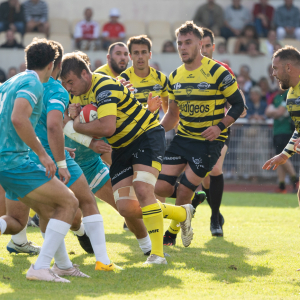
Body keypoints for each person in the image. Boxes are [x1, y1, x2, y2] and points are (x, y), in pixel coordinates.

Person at [61, 52, 195, 265]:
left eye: (70, 81)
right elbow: (64, 121)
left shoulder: (105, 86)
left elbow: (106, 126)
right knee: (126, 208)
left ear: (85, 74)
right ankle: (181, 213)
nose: (68, 87)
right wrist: (72, 114)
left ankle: (157, 255)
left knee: (143, 190)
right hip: (121, 147)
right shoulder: (74, 95)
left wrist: (77, 124)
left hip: (146, 136)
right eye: (64, 83)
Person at [155, 22, 244, 242]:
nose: (183, 47)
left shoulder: (218, 71)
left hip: (208, 143)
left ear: (200, 44)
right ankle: (190, 205)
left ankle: (172, 233)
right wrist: (153, 131)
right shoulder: (174, 77)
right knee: (160, 187)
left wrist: (219, 126)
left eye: (188, 42)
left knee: (184, 191)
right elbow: (173, 116)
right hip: (182, 138)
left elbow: (238, 105)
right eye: (179, 43)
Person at [0, 38, 81, 283]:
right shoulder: (34, 83)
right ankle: (41, 267)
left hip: (8, 160)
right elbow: (18, 119)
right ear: (54, 64)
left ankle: (64, 266)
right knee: (69, 202)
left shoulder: (11, 81)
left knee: (23, 218)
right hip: (14, 162)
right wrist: (44, 154)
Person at [263, 46, 300, 206]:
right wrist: (284, 155)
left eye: (275, 69)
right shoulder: (291, 95)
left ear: (288, 67)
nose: (273, 74)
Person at [119, 35, 169, 117]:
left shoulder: (161, 78)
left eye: (144, 52)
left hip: (154, 128)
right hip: (131, 129)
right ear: (130, 56)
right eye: (136, 53)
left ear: (150, 55)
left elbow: (168, 111)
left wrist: (162, 128)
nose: (140, 57)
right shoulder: (123, 80)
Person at [265, 88, 298, 193]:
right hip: (277, 131)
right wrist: (276, 112)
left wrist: (274, 112)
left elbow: (279, 113)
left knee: (283, 157)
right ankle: (282, 185)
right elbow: (267, 112)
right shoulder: (275, 96)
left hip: (286, 131)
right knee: (278, 158)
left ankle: (295, 180)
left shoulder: (289, 94)